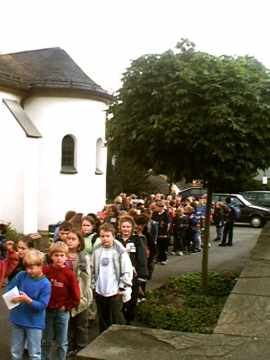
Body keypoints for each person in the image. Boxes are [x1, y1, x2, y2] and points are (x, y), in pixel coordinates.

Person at [6, 249, 51, 360]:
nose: (28, 271)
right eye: (26, 267)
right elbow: (9, 288)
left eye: (31, 268)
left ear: (41, 266)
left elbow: (42, 306)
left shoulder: (45, 284)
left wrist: (28, 300)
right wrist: (12, 297)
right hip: (18, 319)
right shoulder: (22, 275)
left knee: (34, 354)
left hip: (34, 323)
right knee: (15, 352)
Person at [42, 241, 80, 360]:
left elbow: (76, 296)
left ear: (66, 256)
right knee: (46, 340)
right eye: (56, 255)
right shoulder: (46, 271)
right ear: (51, 256)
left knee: (62, 341)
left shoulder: (70, 274)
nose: (59, 258)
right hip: (48, 310)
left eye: (62, 255)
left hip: (62, 312)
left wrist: (67, 306)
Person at [91, 223, 133, 333]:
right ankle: (102, 339)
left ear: (113, 236)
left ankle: (119, 339)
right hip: (100, 290)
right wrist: (93, 285)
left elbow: (127, 271)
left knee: (116, 318)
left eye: (107, 236)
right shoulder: (97, 249)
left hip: (115, 291)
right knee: (103, 318)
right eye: (102, 236)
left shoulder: (120, 250)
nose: (104, 239)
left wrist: (122, 287)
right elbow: (92, 268)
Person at [65, 230, 92, 355]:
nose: (69, 241)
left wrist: (82, 296)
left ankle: (82, 348)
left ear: (79, 242)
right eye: (68, 238)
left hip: (81, 295)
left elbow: (87, 278)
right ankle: (70, 346)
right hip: (67, 296)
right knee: (69, 324)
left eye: (73, 239)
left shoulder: (83, 257)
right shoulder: (63, 255)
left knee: (81, 324)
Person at [117, 215, 148, 324]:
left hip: (133, 275)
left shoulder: (137, 240)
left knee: (132, 299)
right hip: (119, 275)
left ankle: (129, 320)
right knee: (120, 299)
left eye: (128, 227)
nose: (126, 229)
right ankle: (119, 319)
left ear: (132, 228)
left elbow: (142, 258)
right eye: (124, 226)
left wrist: (142, 274)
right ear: (120, 227)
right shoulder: (116, 240)